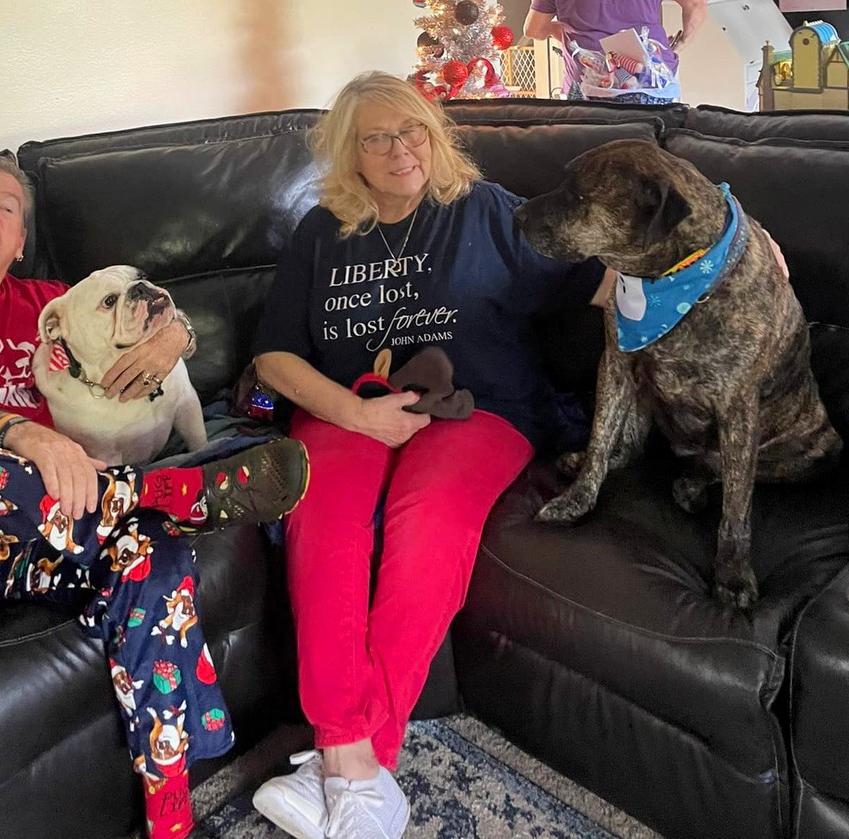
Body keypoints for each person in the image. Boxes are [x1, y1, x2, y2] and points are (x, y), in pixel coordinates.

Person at [0, 155, 309, 839]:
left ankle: (170, 808)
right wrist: (22, 433)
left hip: (44, 541)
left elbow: (145, 308)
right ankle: (154, 492)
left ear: (21, 241)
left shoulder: (53, 305)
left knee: (151, 550)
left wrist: (176, 336)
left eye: (6, 207)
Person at [247, 71, 613, 839]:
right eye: (376, 137)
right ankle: (357, 772)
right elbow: (275, 355)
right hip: (351, 406)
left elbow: (604, 274)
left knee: (426, 520)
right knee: (324, 518)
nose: (399, 148)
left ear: (435, 133)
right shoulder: (322, 233)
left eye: (412, 128)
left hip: (480, 407)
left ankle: (346, 759)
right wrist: (355, 412)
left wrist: (730, 241)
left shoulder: (488, 213)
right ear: (350, 153)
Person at [523, 0, 707, 103]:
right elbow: (696, 4)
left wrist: (558, 29)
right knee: (658, 148)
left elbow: (533, 30)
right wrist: (682, 42)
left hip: (592, 85)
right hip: (654, 79)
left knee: (595, 153)